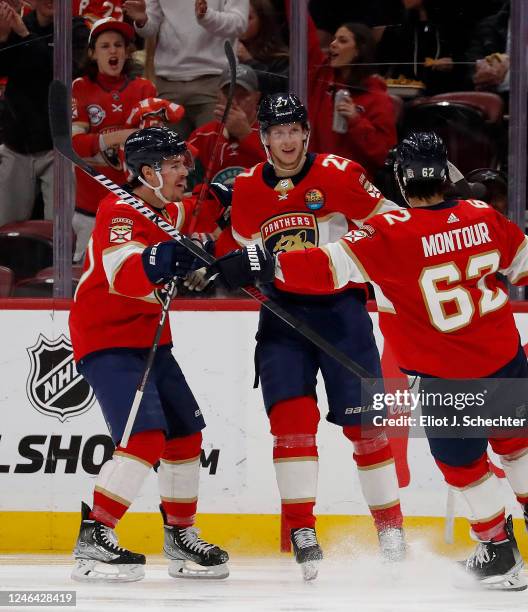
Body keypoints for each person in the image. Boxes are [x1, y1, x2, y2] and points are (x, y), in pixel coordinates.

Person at [213, 131, 528, 591]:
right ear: (446, 173)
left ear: (400, 178)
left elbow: (322, 268)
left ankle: (497, 547)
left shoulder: (387, 232)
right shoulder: (484, 215)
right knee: (515, 441)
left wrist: (261, 261)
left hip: (446, 375)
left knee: (465, 467)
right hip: (502, 356)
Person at [209, 92, 406, 581]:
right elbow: (243, 255)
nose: (287, 140)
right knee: (291, 425)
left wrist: (347, 257)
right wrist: (229, 259)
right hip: (282, 318)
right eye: (277, 132)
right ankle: (301, 529)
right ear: (264, 138)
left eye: (294, 130)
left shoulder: (339, 173)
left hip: (343, 314)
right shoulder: (249, 189)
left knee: (366, 429)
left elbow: (389, 223)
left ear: (306, 133)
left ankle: (391, 529)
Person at [69, 126, 228, 583]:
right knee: (144, 437)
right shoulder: (117, 209)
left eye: (184, 162)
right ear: (146, 172)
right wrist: (163, 260)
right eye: (175, 164)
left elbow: (205, 206)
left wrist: (228, 193)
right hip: (108, 337)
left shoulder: (169, 211)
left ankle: (180, 538)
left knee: (184, 434)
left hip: (152, 340)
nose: (185, 170)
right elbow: (121, 272)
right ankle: (94, 537)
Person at [71, 17, 182, 262]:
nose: (113, 50)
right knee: (87, 271)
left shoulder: (144, 89)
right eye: (105, 45)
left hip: (136, 205)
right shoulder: (80, 87)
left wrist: (104, 140)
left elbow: (154, 148)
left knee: (136, 270)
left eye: (118, 45)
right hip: (90, 205)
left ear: (127, 51)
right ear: (92, 54)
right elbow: (75, 146)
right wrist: (124, 135)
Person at [284, 0, 396, 179]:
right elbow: (304, 33)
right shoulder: (321, 76)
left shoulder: (377, 97)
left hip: (354, 185)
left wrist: (356, 120)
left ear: (359, 50)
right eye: (334, 39)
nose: (333, 44)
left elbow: (384, 154)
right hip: (313, 178)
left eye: (342, 41)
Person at [0, 0, 88, 226]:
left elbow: (63, 73)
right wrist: (2, 36)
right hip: (17, 144)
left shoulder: (76, 29)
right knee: (6, 230)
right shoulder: (19, 22)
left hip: (57, 147)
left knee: (61, 231)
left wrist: (24, 35)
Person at [123, 0, 248, 139]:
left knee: (215, 155)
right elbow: (150, 27)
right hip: (168, 82)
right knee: (166, 156)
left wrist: (207, 16)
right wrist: (143, 20)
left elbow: (239, 23)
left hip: (214, 81)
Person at [187, 63, 264, 188]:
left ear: (257, 97)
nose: (233, 101)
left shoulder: (273, 132)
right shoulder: (202, 135)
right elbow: (184, 181)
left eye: (242, 95)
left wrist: (246, 135)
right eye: (227, 94)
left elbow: (283, 172)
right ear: (218, 96)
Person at [237, 0, 288, 95]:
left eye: (248, 17)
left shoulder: (281, 58)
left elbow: (278, 89)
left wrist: (249, 61)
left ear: (263, 21)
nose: (241, 22)